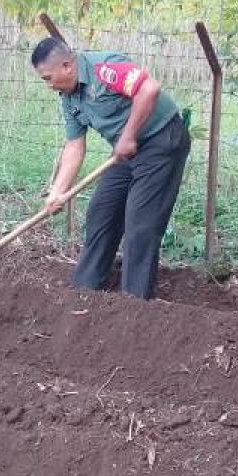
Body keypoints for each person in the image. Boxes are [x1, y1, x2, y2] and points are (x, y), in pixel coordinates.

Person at [31, 37, 191, 300]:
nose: (48, 86)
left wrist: (127, 137)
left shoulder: (104, 69)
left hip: (162, 140)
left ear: (67, 66)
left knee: (140, 222)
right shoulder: (69, 99)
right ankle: (86, 289)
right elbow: (74, 146)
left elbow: (149, 89)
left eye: (48, 78)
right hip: (126, 151)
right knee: (101, 210)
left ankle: (134, 302)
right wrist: (58, 192)